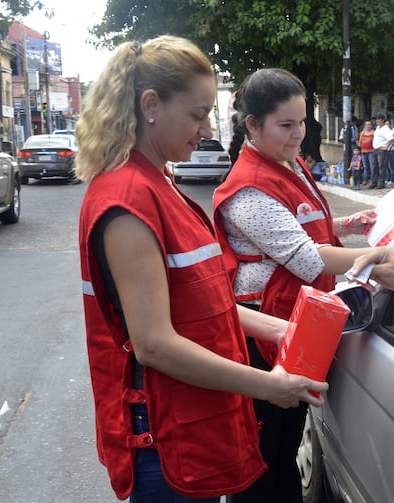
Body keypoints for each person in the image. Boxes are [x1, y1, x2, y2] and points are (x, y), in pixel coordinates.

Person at [74, 37, 328, 503]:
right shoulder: (128, 199)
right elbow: (155, 344)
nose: (207, 129)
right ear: (151, 106)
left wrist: (279, 328)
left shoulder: (158, 181)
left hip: (193, 418)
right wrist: (269, 386)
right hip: (166, 433)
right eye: (197, 115)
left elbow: (200, 301)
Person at [212, 67, 394, 503]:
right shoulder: (248, 189)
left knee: (287, 444)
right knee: (262, 459)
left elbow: (306, 225)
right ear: (252, 125)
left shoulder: (286, 164)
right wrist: (383, 253)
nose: (298, 134)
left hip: (298, 320)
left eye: (302, 122)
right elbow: (307, 258)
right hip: (263, 333)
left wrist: (348, 225)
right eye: (285, 125)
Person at [370, 115, 394, 189]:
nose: (377, 121)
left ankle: (381, 183)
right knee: (375, 167)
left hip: (381, 150)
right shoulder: (378, 128)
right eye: (376, 119)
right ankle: (374, 182)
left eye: (378, 119)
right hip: (376, 149)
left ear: (382, 120)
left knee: (381, 167)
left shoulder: (385, 129)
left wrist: (386, 147)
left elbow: (391, 138)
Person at [358, 119, 375, 186]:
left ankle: (372, 180)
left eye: (369, 125)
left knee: (372, 166)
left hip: (371, 151)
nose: (368, 126)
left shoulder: (373, 133)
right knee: (365, 167)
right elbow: (360, 142)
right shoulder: (362, 133)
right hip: (363, 151)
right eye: (367, 125)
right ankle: (365, 180)